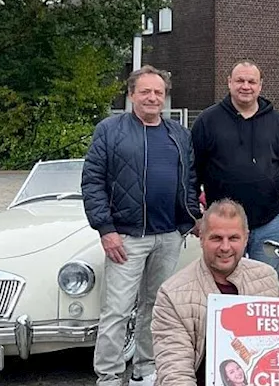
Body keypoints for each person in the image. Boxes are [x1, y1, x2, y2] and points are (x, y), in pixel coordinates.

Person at [151, 199, 279, 386]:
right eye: (216, 238)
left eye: (233, 238)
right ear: (202, 237)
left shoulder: (265, 276)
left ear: (246, 238)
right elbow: (174, 372)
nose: (225, 247)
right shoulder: (173, 294)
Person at [81, 65, 202, 386]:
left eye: (158, 92)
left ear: (165, 96)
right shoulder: (110, 130)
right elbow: (92, 181)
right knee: (117, 311)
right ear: (131, 94)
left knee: (157, 307)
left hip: (168, 236)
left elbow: (190, 181)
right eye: (145, 91)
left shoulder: (179, 134)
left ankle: (145, 370)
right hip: (125, 237)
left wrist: (189, 219)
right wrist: (105, 230)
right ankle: (108, 376)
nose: (152, 97)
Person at [192, 61, 279, 274]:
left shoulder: (278, 123)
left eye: (251, 81)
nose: (245, 86)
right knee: (222, 285)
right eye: (240, 80)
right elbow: (191, 173)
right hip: (222, 226)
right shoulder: (207, 121)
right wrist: (195, 215)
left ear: (260, 86)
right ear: (229, 82)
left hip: (269, 222)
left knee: (265, 283)